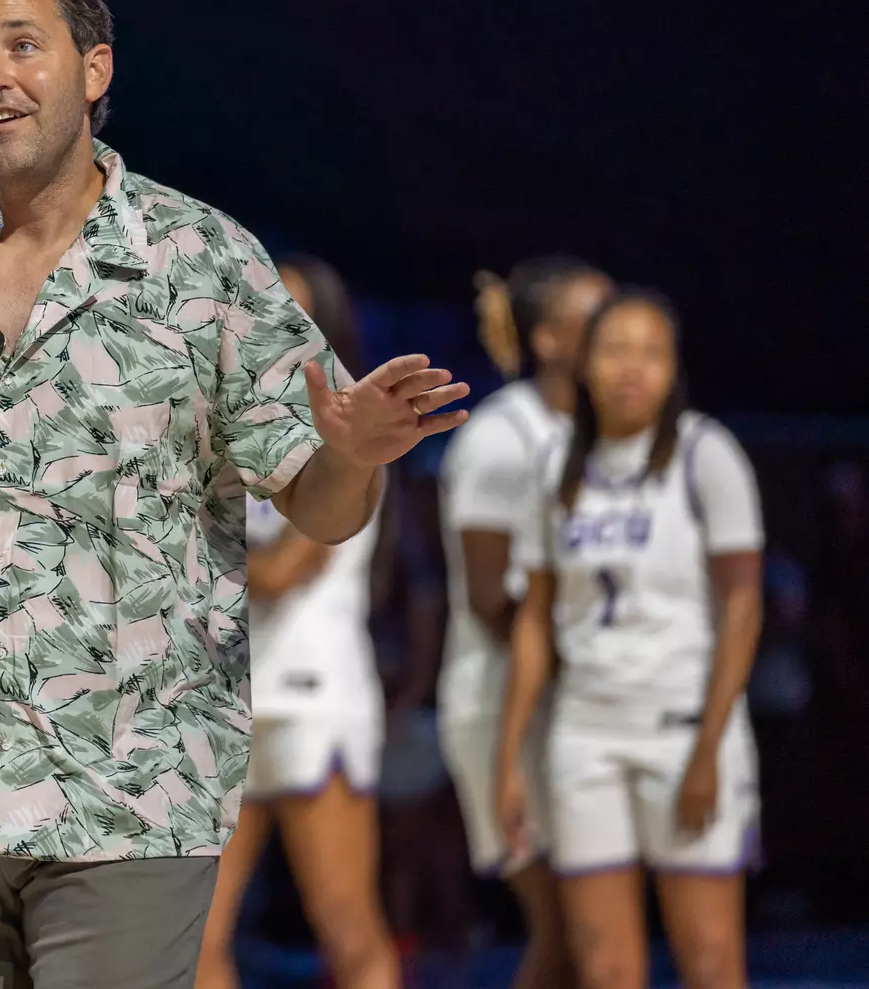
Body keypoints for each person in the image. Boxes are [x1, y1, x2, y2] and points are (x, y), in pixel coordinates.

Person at [0, 0, 468, 989]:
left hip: (129, 782)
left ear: (95, 69)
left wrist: (353, 455)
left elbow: (318, 506)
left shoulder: (203, 259)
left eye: (21, 45)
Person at [495, 290, 764, 989]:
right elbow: (534, 620)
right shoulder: (556, 465)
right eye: (615, 349)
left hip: (683, 728)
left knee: (710, 962)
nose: (631, 368)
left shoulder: (706, 454)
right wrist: (510, 756)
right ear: (585, 364)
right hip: (585, 735)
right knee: (605, 967)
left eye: (651, 352)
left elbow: (743, 605)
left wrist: (709, 745)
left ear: (674, 368)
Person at [195, 256, 399, 989]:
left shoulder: (353, 433)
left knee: (346, 926)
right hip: (221, 697)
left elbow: (284, 573)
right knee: (195, 940)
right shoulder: (216, 418)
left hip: (314, 693)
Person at [435, 256, 610, 988]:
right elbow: (487, 597)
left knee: (596, 931)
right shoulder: (503, 438)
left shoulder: (609, 435)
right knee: (565, 929)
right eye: (593, 319)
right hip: (503, 702)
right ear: (546, 340)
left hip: (576, 703)